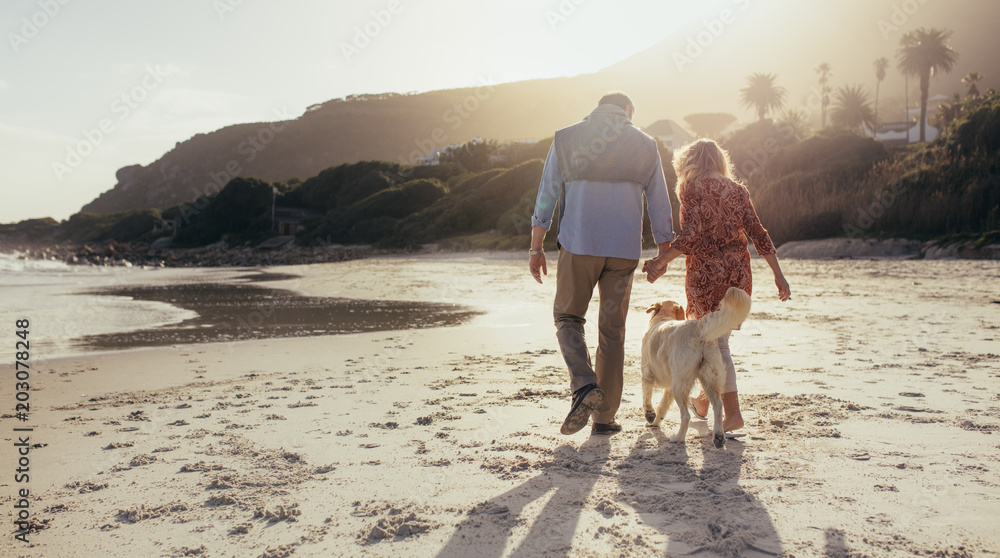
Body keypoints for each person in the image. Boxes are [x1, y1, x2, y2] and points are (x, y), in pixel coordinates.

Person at [529, 91, 675, 436]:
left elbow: (547, 193)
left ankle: (583, 385)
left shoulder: (566, 138)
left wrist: (537, 247)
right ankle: (605, 418)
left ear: (598, 106)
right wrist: (663, 252)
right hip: (624, 251)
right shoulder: (645, 143)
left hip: (579, 245)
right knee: (612, 331)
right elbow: (660, 202)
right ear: (627, 110)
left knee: (567, 316)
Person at [642, 138, 790, 432]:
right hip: (738, 276)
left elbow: (692, 234)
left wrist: (662, 260)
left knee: (716, 344)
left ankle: (733, 414)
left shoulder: (691, 186)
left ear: (690, 162)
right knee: (714, 340)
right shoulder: (738, 190)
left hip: (706, 276)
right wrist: (778, 273)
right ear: (720, 161)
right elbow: (759, 234)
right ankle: (703, 401)